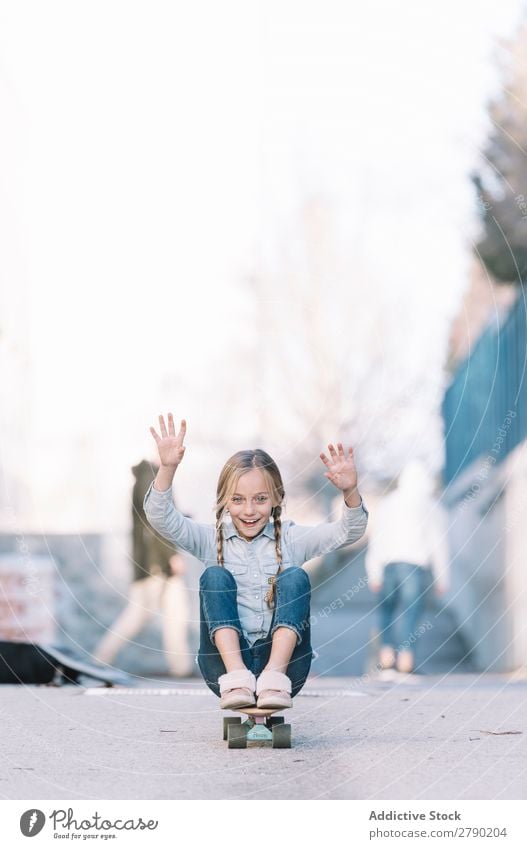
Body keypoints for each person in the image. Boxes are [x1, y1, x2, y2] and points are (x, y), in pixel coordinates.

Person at [144, 413, 369, 710]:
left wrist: (349, 491)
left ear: (276, 498)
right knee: (214, 576)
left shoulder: (290, 538)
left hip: (287, 669)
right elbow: (161, 518)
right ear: (224, 500)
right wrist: (167, 468)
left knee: (294, 577)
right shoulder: (211, 539)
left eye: (260, 499)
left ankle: (273, 678)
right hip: (222, 667)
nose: (249, 510)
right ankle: (237, 677)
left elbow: (348, 531)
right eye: (237, 500)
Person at [93, 459, 192, 676]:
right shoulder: (152, 475)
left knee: (177, 612)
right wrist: (171, 554)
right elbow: (155, 519)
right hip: (155, 561)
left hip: (157, 558)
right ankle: (99, 660)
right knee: (138, 613)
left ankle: (181, 668)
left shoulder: (152, 474)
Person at [365, 460, 450, 674]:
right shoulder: (429, 505)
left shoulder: (388, 503)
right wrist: (443, 577)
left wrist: (373, 572)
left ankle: (386, 655)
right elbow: (438, 543)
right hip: (414, 566)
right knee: (411, 612)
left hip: (388, 565)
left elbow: (376, 540)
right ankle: (406, 659)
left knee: (386, 610)